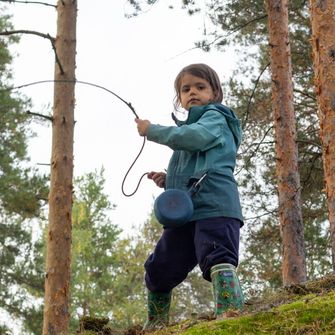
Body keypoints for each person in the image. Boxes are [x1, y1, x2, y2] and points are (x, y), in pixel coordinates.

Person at [135, 63, 244, 331]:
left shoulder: (217, 118)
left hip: (216, 205)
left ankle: (231, 314)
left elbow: (195, 137)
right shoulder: (185, 137)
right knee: (161, 266)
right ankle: (157, 325)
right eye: (186, 89)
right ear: (179, 98)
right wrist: (167, 182)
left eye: (200, 86)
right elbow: (191, 152)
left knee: (218, 255)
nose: (192, 92)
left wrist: (153, 130)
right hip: (184, 214)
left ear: (215, 92)